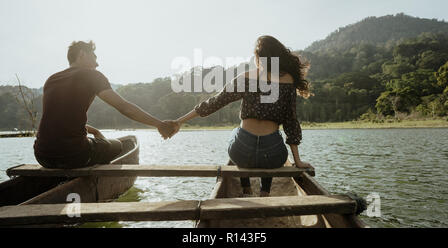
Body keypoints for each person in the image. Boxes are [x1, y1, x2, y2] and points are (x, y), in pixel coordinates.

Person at [167, 35, 313, 197]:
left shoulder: (246, 77)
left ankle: (246, 189)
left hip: (242, 152)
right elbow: (291, 122)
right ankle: (265, 192)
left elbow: (213, 103)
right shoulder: (288, 80)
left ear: (258, 57)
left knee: (237, 133)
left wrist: (179, 121)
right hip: (272, 156)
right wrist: (297, 161)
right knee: (274, 138)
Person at [34, 40, 177, 169]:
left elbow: (57, 117)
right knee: (118, 146)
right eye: (94, 57)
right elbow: (124, 107)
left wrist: (94, 131)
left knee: (96, 141)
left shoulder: (52, 79)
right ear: (82, 54)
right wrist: (160, 124)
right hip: (74, 156)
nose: (97, 64)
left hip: (42, 156)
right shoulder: (92, 75)